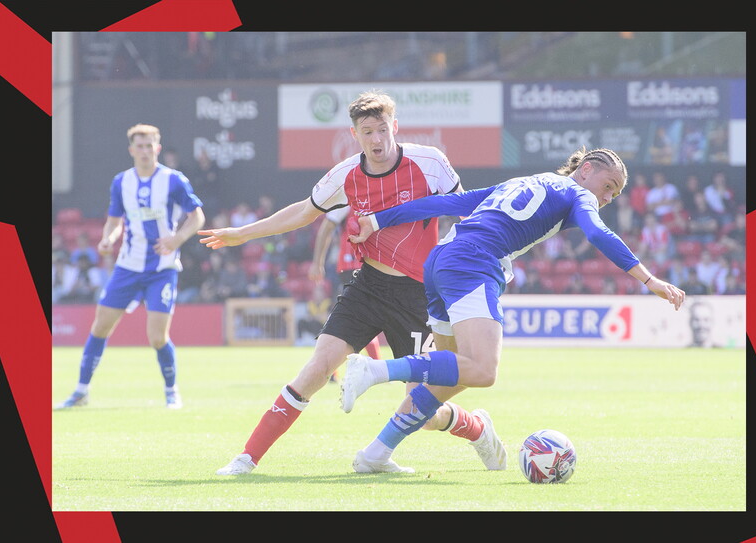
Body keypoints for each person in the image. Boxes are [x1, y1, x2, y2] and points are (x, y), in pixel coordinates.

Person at [198, 90, 506, 475]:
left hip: (419, 295)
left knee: (422, 412)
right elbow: (303, 212)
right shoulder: (345, 175)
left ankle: (478, 430)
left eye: (382, 129)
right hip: (369, 286)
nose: (376, 140)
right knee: (317, 369)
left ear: (394, 127)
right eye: (367, 132)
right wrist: (243, 233)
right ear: (354, 134)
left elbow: (464, 212)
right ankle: (247, 458)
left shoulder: (430, 163)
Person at [340, 147, 686, 469]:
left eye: (616, 194)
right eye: (608, 186)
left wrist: (379, 219)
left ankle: (376, 454)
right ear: (586, 170)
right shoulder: (578, 192)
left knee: (450, 375)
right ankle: (374, 371)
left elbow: (450, 203)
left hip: (442, 260)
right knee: (483, 369)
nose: (608, 197)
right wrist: (648, 279)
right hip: (473, 263)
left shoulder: (523, 182)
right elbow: (597, 234)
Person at [56, 123, 206, 410]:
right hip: (127, 267)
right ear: (131, 150)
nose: (145, 150)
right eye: (140, 145)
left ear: (157, 149)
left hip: (162, 268)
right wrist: (107, 238)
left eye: (150, 145)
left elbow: (196, 216)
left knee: (156, 336)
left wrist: (177, 239)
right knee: (100, 327)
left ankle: (172, 391)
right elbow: (114, 219)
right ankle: (81, 391)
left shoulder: (173, 180)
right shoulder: (121, 182)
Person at [308, 205, 381, 360]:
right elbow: (326, 228)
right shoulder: (346, 200)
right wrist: (317, 263)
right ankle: (328, 365)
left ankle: (376, 366)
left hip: (374, 265)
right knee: (354, 318)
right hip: (350, 267)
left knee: (361, 318)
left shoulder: (379, 196)